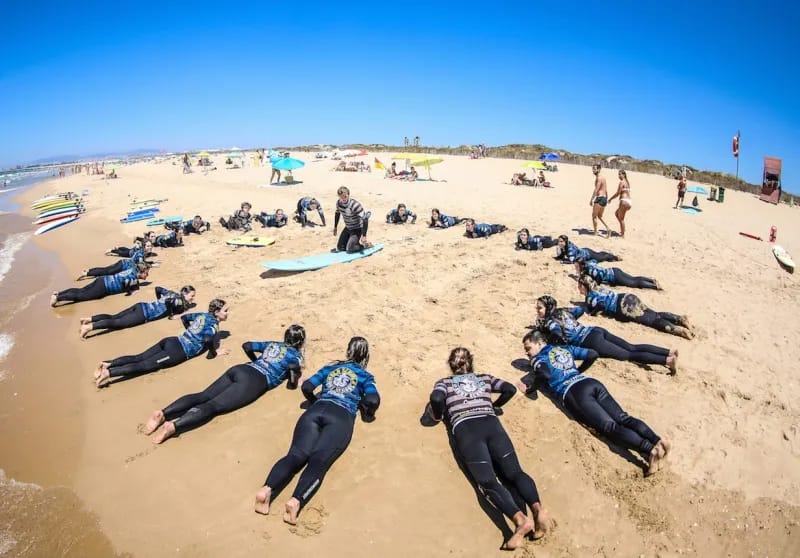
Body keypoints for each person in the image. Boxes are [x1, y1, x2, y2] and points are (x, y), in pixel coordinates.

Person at [422, 347, 551, 549]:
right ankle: (538, 509)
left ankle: (520, 521)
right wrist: (495, 405)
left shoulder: (444, 383)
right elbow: (509, 388)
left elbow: (437, 399)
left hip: (467, 429)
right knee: (515, 472)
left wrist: (438, 416)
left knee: (488, 481)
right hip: (491, 424)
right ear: (471, 363)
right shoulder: (483, 378)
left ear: (451, 365)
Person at [254, 336, 380, 525]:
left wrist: (314, 401)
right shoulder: (364, 376)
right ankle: (295, 501)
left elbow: (307, 386)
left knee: (295, 455)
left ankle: (266, 490)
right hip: (340, 416)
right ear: (366, 356)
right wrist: (366, 410)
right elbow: (372, 400)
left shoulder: (330, 368)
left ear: (348, 351)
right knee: (318, 462)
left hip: (314, 412)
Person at [519, 331, 669, 476]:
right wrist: (577, 371)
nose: (527, 353)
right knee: (624, 418)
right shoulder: (563, 348)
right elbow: (592, 354)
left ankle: (651, 451)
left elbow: (544, 374)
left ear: (539, 344)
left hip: (573, 392)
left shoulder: (538, 358)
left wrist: (530, 389)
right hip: (589, 382)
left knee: (610, 427)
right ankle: (658, 441)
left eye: (528, 348)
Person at [143, 325, 306, 444]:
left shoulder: (272, 344)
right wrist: (293, 383)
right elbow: (292, 369)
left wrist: (256, 361)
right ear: (300, 341)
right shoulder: (296, 356)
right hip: (254, 381)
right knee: (214, 406)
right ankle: (174, 426)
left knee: (203, 395)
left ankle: (162, 413)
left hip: (241, 369)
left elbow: (247, 345)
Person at [93, 299, 230, 387]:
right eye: (225, 311)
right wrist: (215, 352)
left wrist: (189, 333)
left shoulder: (202, 314)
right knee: (145, 365)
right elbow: (207, 339)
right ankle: (109, 373)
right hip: (178, 351)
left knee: (139, 357)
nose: (228, 313)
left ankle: (108, 363)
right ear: (217, 312)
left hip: (172, 340)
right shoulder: (214, 325)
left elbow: (185, 317)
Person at [535, 295, 678, 373]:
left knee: (628, 355)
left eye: (540, 308)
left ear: (548, 308)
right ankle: (669, 351)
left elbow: (556, 332)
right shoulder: (563, 311)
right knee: (631, 346)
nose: (537, 310)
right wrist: (570, 324)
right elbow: (579, 311)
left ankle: (667, 361)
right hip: (595, 330)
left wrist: (554, 341)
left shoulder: (549, 321)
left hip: (590, 341)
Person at [578, 275, 693, 339]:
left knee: (652, 320)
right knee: (654, 314)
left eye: (580, 285)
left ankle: (679, 330)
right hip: (627, 297)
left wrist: (592, 313)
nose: (579, 288)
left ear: (584, 286)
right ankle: (679, 319)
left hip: (623, 307)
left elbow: (601, 305)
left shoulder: (590, 297)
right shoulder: (599, 287)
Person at [79, 285, 196, 339]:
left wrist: (157, 302)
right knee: (118, 323)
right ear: (185, 294)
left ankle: (88, 319)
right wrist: (171, 315)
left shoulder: (171, 293)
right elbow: (171, 303)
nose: (193, 298)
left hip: (141, 305)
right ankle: (88, 328)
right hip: (143, 314)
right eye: (192, 296)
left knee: (114, 316)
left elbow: (158, 289)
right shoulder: (179, 301)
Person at [51, 262, 150, 307]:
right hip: (103, 287)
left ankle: (59, 293)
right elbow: (125, 284)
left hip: (103, 279)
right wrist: (131, 292)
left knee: (80, 290)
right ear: (141, 272)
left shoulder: (131, 270)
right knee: (81, 296)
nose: (147, 275)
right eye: (146, 273)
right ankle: (57, 299)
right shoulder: (133, 278)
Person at [574, 257, 660, 290]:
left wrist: (597, 283)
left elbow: (599, 275)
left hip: (614, 277)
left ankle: (654, 286)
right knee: (633, 278)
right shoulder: (589, 263)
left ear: (581, 265)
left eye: (576, 266)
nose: (575, 268)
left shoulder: (590, 270)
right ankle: (651, 280)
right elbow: (595, 260)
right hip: (614, 270)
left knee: (634, 283)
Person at [79, 242, 151, 279]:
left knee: (106, 269)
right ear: (144, 247)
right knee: (106, 271)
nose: (150, 247)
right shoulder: (141, 255)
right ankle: (86, 274)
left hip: (123, 263)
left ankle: (89, 270)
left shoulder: (142, 252)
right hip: (123, 266)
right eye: (148, 246)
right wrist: (147, 266)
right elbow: (141, 264)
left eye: (150, 246)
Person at [332, 186, 371, 253]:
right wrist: (335, 227)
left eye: (345, 196)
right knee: (340, 248)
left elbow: (365, 219)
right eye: (341, 197)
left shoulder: (355, 205)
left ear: (348, 195)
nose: (343, 199)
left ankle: (365, 245)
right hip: (348, 227)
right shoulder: (338, 203)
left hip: (357, 228)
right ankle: (352, 242)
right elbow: (337, 214)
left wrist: (364, 236)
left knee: (350, 249)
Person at [555, 235, 620, 264]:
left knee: (601, 258)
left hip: (588, 254)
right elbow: (563, 253)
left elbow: (571, 261)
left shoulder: (570, 250)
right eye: (559, 241)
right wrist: (558, 257)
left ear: (565, 241)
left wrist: (563, 261)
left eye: (561, 241)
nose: (559, 243)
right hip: (583, 251)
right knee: (598, 254)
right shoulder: (565, 246)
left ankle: (615, 257)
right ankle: (606, 254)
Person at [608, 170, 632, 237]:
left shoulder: (622, 182)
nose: (619, 176)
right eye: (618, 174)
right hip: (629, 202)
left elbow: (618, 193)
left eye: (620, 174)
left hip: (623, 201)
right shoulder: (627, 182)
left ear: (624, 175)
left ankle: (622, 234)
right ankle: (623, 228)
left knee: (621, 219)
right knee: (617, 214)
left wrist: (610, 199)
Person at [589, 164, 611, 237]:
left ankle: (595, 232)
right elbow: (606, 190)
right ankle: (608, 228)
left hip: (600, 198)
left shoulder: (599, 178)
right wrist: (606, 199)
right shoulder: (603, 178)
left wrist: (591, 199)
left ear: (599, 169)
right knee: (600, 216)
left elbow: (596, 189)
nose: (593, 170)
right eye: (593, 169)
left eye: (595, 169)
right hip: (604, 198)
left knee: (594, 216)